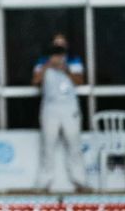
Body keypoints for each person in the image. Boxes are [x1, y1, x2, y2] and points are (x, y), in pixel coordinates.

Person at [33, 33, 87, 192]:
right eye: (56, 44)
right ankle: (44, 183)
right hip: (50, 108)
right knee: (48, 145)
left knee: (74, 144)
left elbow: (80, 81)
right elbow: (35, 82)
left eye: (61, 45)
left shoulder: (73, 61)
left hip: (69, 108)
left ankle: (80, 181)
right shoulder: (43, 61)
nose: (59, 48)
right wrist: (48, 65)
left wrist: (65, 69)